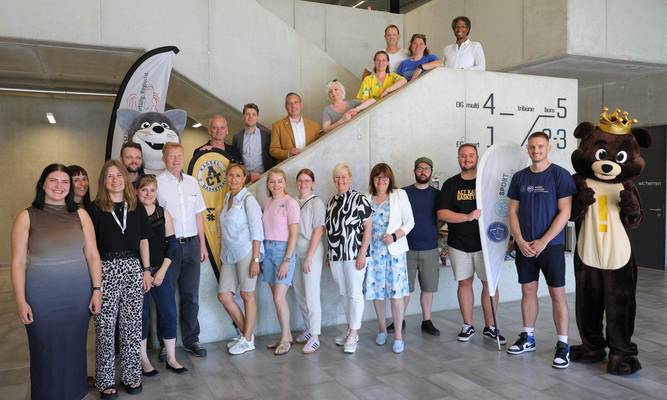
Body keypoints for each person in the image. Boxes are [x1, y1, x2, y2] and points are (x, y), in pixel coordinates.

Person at [10, 163, 102, 400]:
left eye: (65, 182)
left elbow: (92, 255)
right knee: (44, 350)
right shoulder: (26, 216)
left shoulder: (81, 215)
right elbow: (18, 262)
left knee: (74, 349)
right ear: (43, 184)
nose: (59, 186)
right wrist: (21, 301)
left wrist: (97, 290)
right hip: (41, 297)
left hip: (77, 295)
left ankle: (75, 392)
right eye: (53, 180)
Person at [506, 131, 576, 369]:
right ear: (528, 149)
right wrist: (518, 239)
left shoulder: (560, 175)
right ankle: (528, 337)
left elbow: (565, 212)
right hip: (525, 246)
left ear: (548, 148)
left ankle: (563, 345)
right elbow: (512, 211)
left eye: (540, 147)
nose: (536, 151)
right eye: (532, 147)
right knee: (528, 291)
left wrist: (544, 241)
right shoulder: (519, 178)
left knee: (557, 295)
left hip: (551, 247)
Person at [88, 159, 152, 397]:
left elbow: (144, 241)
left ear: (125, 178)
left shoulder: (136, 207)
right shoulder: (94, 209)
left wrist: (146, 270)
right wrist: (95, 283)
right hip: (106, 269)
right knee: (105, 327)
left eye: (118, 175)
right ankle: (105, 381)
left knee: (132, 326)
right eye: (109, 176)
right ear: (103, 182)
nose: (115, 180)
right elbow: (91, 248)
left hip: (134, 268)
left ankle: (131, 376)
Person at [438, 145, 506, 344]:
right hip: (459, 243)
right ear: (458, 158)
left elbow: (501, 208)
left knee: (489, 284)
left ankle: (491, 327)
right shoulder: (451, 184)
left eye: (470, 156)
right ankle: (467, 325)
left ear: (477, 158)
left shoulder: (488, 182)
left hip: (487, 244)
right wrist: (467, 217)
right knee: (464, 283)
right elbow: (442, 214)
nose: (467, 159)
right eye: (463, 156)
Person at [157, 142, 209, 357]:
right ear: (164, 158)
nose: (176, 159)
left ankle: (191, 340)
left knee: (191, 296)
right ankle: (164, 344)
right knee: (166, 297)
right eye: (171, 156)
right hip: (170, 247)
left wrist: (202, 244)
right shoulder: (157, 183)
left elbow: (199, 214)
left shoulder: (191, 182)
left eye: (179, 155)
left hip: (192, 245)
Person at [136, 175, 187, 376]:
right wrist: (144, 273)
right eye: (144, 190)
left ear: (157, 193)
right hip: (139, 273)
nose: (148, 194)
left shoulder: (163, 212)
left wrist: (163, 270)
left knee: (169, 312)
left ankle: (172, 358)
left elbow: (172, 245)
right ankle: (144, 360)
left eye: (152, 190)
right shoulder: (132, 214)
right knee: (142, 316)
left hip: (161, 270)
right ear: (137, 192)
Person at [365, 163, 414, 354]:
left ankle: (398, 336)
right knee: (377, 293)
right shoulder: (366, 198)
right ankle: (382, 329)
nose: (381, 180)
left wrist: (394, 236)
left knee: (396, 294)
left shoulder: (399, 195)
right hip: (374, 252)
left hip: (394, 252)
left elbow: (410, 222)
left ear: (390, 179)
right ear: (373, 180)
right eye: (378, 177)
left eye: (385, 177)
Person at [217, 163, 264, 356]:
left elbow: (257, 232)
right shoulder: (228, 197)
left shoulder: (248, 199)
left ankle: (246, 339)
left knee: (247, 295)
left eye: (238, 176)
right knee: (224, 296)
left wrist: (255, 259)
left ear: (244, 178)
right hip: (228, 254)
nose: (233, 179)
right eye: (230, 176)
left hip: (246, 252)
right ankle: (247, 335)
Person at [325, 163, 372, 354]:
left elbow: (368, 228)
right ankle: (350, 328)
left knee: (354, 293)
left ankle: (354, 332)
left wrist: (362, 252)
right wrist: (329, 253)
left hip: (355, 254)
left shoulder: (360, 199)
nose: (340, 180)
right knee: (344, 293)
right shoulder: (331, 202)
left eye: (343, 176)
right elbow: (330, 231)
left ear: (350, 178)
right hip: (336, 255)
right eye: (337, 177)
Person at [400, 157, 441, 336]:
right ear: (414, 171)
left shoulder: (437, 194)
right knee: (404, 289)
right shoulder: (403, 193)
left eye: (426, 169)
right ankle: (398, 319)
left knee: (428, 288)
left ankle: (427, 320)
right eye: (419, 168)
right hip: (406, 248)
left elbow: (441, 219)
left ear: (431, 171)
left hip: (430, 247)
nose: (423, 172)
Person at [261, 168, 300, 356]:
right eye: (272, 181)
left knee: (279, 297)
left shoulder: (290, 203)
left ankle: (286, 338)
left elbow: (294, 234)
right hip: (267, 251)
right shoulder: (267, 202)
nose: (275, 185)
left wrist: (286, 259)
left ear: (285, 183)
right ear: (268, 184)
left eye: (279, 181)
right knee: (276, 299)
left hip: (283, 252)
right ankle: (286, 335)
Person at [293, 169, 326, 354]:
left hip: (310, 249)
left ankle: (315, 336)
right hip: (296, 249)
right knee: (299, 291)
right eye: (300, 180)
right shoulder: (294, 201)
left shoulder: (316, 202)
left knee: (312, 293)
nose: (303, 184)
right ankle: (308, 328)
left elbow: (318, 231)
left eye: (307, 180)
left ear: (312, 182)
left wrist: (310, 257)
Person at [269, 93, 321, 162]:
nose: (293, 106)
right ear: (286, 107)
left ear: (301, 105)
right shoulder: (277, 126)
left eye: (296, 102)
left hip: (311, 164)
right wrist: (288, 153)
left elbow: (319, 147)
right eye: (289, 103)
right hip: (289, 167)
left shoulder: (314, 125)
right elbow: (273, 150)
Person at [231, 103, 275, 183]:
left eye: (253, 114)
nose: (250, 117)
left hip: (265, 177)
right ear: (243, 116)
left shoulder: (267, 135)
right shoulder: (237, 138)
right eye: (248, 114)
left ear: (257, 117)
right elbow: (236, 161)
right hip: (245, 180)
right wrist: (248, 175)